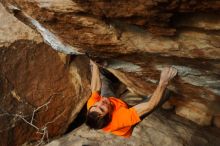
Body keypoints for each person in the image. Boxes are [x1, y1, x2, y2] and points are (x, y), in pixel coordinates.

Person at [86, 60, 177, 138]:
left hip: (112, 103)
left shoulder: (93, 107)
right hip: (124, 118)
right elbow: (150, 105)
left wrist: (94, 65)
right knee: (165, 93)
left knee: (101, 75)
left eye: (96, 105)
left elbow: (95, 89)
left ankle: (109, 75)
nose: (100, 102)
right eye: (102, 109)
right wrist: (163, 82)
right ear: (110, 115)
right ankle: (163, 93)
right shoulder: (122, 118)